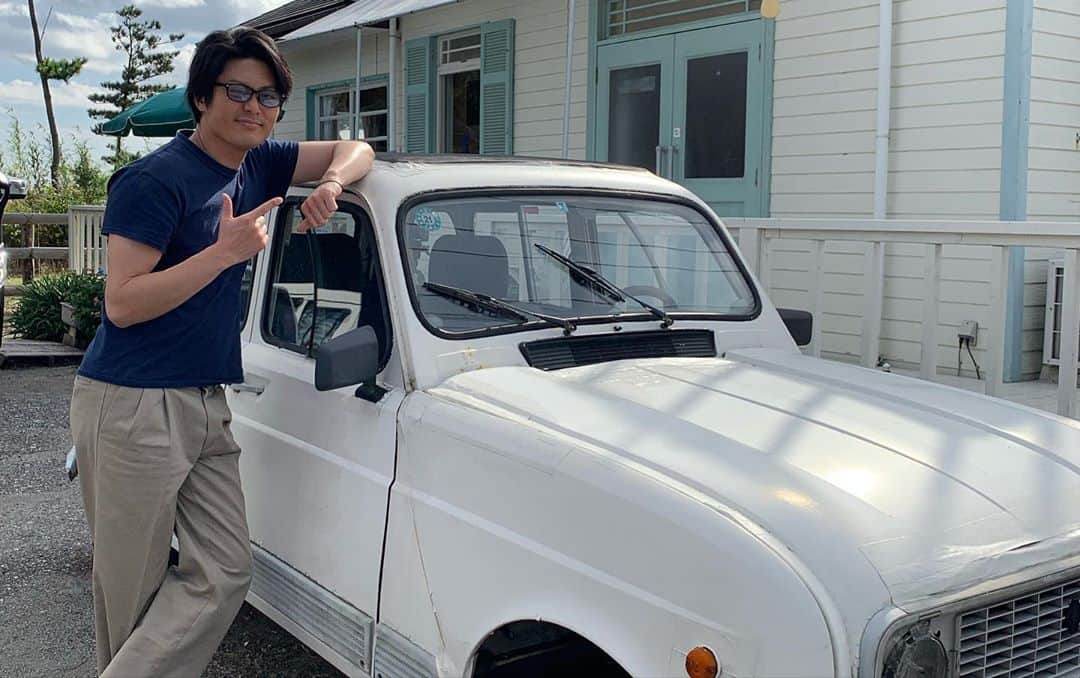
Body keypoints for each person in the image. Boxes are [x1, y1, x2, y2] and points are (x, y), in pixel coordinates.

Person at [68, 26, 374, 677]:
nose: (255, 108)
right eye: (239, 91)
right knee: (132, 595)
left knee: (227, 569)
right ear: (202, 96)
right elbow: (122, 303)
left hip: (206, 398)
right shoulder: (154, 180)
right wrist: (223, 254)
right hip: (132, 403)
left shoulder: (259, 161)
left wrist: (332, 186)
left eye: (270, 97)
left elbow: (357, 146)